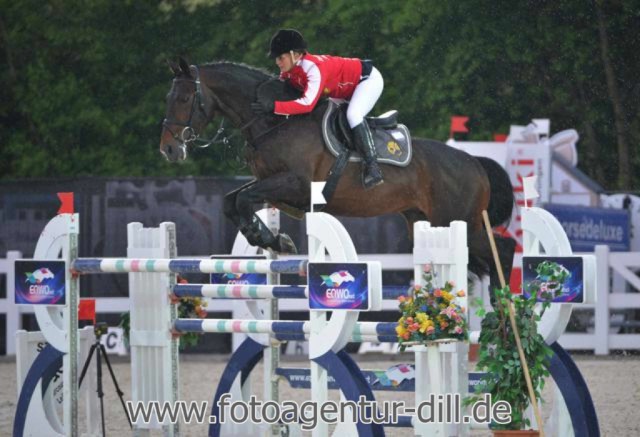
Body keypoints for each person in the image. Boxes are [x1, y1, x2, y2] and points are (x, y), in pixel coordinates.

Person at [251, 29, 384, 189]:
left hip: (366, 80)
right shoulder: (290, 70)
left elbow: (307, 104)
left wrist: (275, 107)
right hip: (341, 90)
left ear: (295, 54)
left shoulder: (314, 68)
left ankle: (373, 167)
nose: (278, 62)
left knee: (353, 115)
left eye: (281, 57)